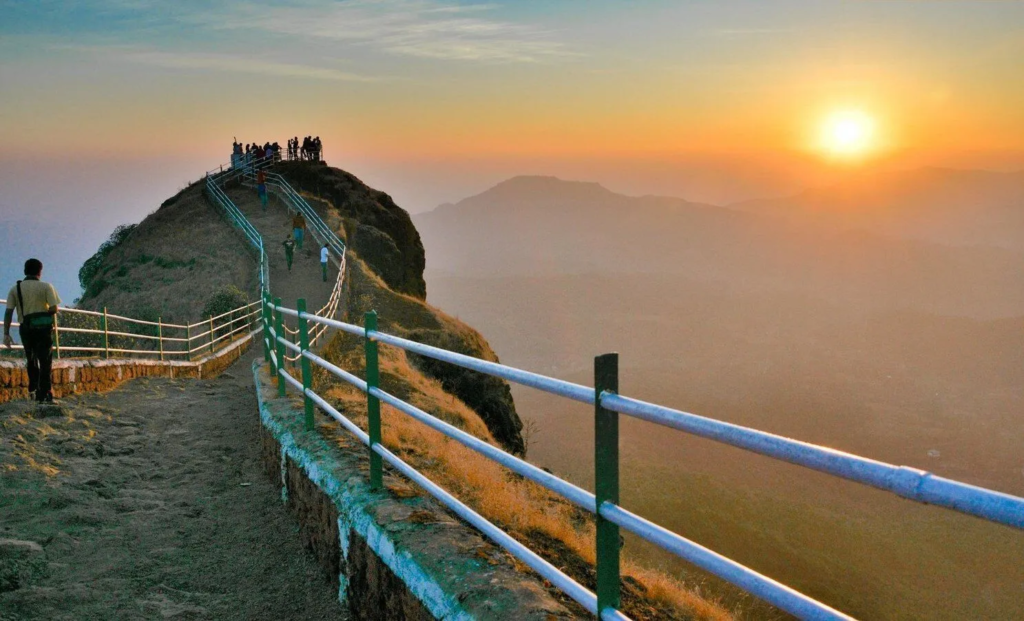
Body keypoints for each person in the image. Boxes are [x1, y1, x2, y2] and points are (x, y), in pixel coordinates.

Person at [4, 259, 61, 404]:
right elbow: (54, 309)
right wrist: (43, 314)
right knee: (45, 359)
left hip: (26, 328)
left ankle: (34, 389)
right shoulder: (46, 286)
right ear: (40, 272)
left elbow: (9, 312)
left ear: (25, 271)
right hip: (43, 329)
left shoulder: (15, 289)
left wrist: (6, 333)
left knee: (31, 358)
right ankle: (46, 392)